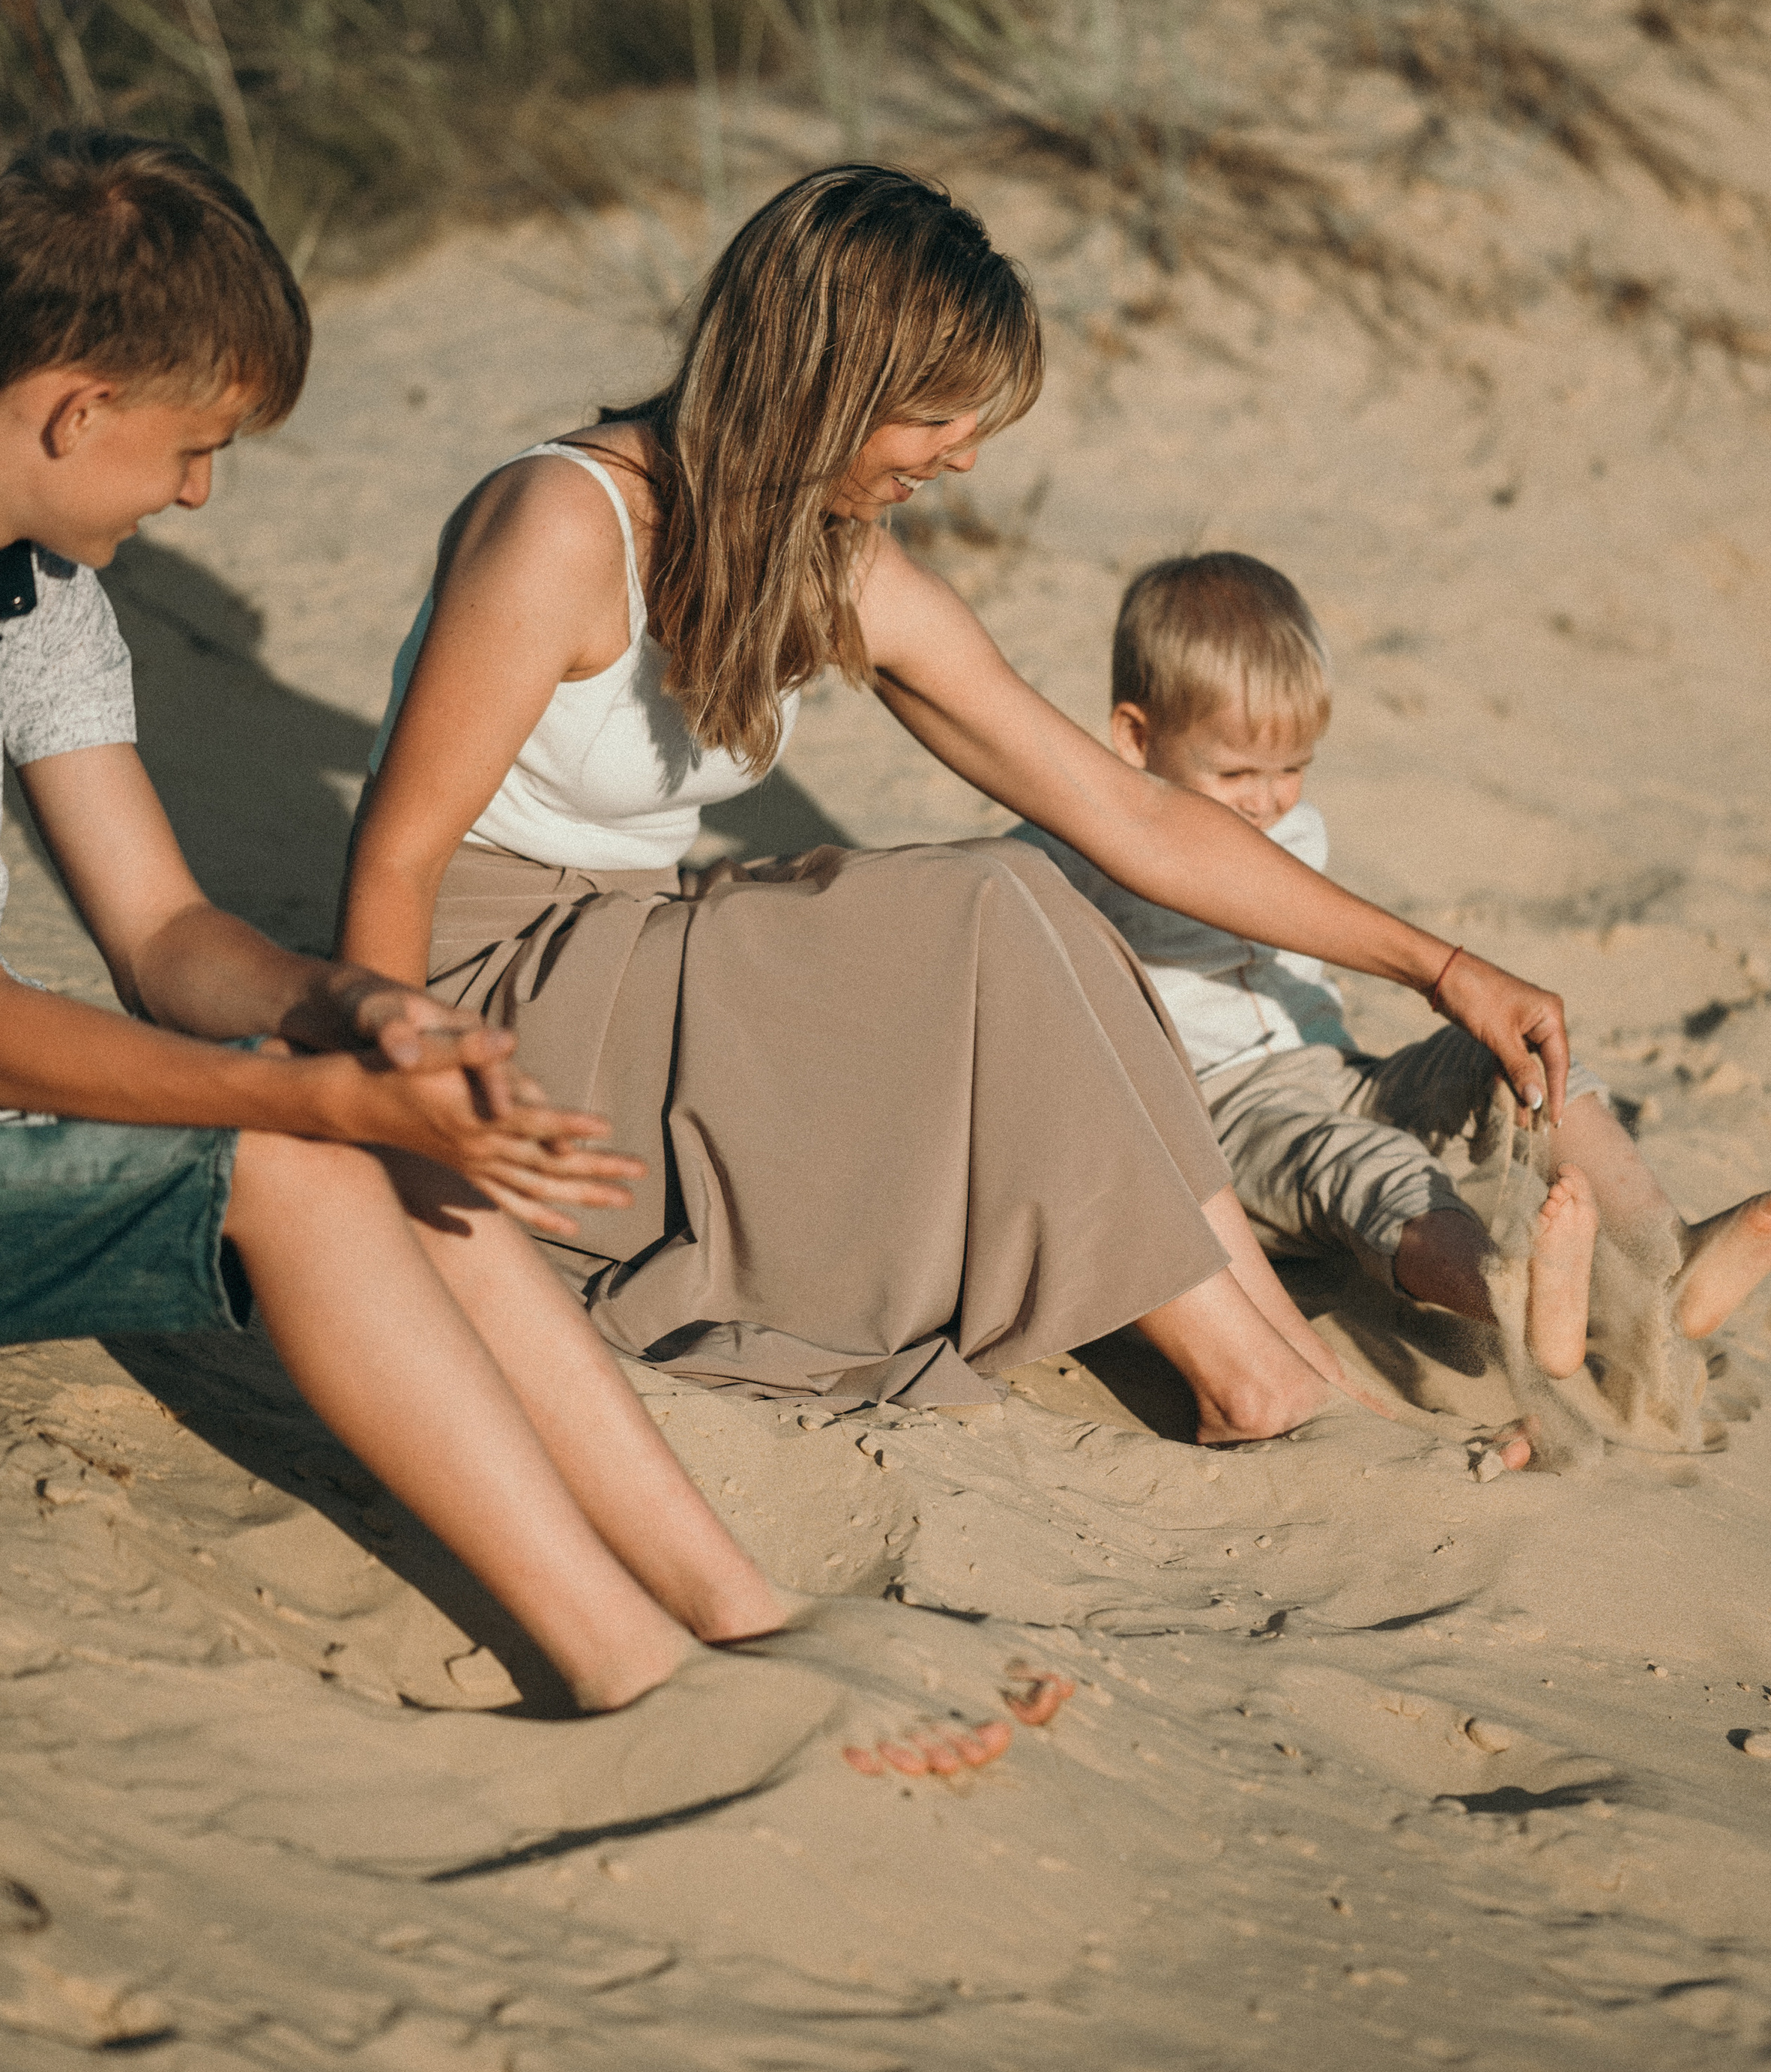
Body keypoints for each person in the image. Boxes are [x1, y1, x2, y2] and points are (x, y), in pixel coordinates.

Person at [0, 126, 1037, 1792]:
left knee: (378, 1111)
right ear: (75, 408)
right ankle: (640, 1676)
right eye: (194, 447)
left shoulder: (41, 607)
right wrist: (318, 1093)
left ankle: (738, 1619)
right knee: (308, 1149)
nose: (199, 494)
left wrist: (370, 1016)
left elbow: (164, 936)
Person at [341, 164, 1588, 1459]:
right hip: (489, 999)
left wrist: (1440, 968)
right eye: (934, 415)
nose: (964, 454)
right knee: (980, 900)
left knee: (1037, 887)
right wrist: (386, 1131)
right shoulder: (562, 521)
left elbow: (1126, 813)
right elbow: (394, 856)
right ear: (821, 380)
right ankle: (1256, 1379)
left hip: (632, 960)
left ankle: (1278, 1358)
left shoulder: (818, 550)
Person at [1007, 551, 1771, 1381]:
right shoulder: (1076, 844)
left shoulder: (1293, 826)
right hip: (1226, 1116)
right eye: (1237, 773)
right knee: (1374, 1170)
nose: (1269, 798)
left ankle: (1664, 1251)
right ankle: (1514, 1289)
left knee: (1510, 1062)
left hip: (1341, 1068)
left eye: (1291, 768)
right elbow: (996, 923)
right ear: (1136, 738)